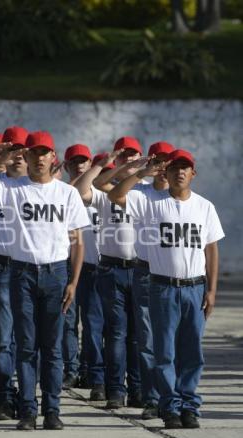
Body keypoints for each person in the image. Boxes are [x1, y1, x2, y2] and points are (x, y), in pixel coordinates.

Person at [0, 130, 89, 431]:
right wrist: (0, 159)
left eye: (45, 152)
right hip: (21, 273)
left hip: (55, 272)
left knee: (53, 348)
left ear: (53, 157)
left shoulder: (66, 193)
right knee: (27, 347)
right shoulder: (10, 187)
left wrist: (73, 282)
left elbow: (78, 242)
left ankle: (52, 409)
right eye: (34, 152)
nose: (40, 157)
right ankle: (28, 411)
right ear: (27, 156)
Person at [109, 149, 225, 428]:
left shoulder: (204, 206)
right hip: (162, 286)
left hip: (194, 287)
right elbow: (115, 196)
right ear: (167, 173)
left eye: (186, 168)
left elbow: (211, 248)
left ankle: (189, 405)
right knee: (164, 352)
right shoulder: (150, 201)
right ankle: (169, 406)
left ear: (193, 174)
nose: (180, 172)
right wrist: (140, 174)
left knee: (192, 351)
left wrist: (211, 290)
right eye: (175, 168)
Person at [74, 136, 143, 409]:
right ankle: (115, 388)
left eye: (132, 155)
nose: (128, 160)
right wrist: (105, 164)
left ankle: (137, 388)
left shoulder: (147, 190)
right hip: (111, 268)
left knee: (137, 336)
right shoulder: (104, 191)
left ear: (141, 158)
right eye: (123, 155)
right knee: (114, 333)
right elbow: (81, 190)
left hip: (140, 269)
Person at [0, 127, 28, 419]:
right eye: (12, 152)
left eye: (23, 152)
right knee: (2, 338)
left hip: (30, 268)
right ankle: (5, 397)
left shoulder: (41, 185)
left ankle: (28, 398)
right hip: (1, 266)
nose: (17, 158)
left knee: (29, 340)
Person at [64, 144, 105, 400]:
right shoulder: (63, 194)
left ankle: (92, 369)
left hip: (94, 268)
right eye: (74, 162)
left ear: (91, 165)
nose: (79, 165)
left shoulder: (97, 195)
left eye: (84, 161)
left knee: (93, 324)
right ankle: (71, 368)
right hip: (66, 266)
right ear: (66, 166)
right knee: (67, 323)